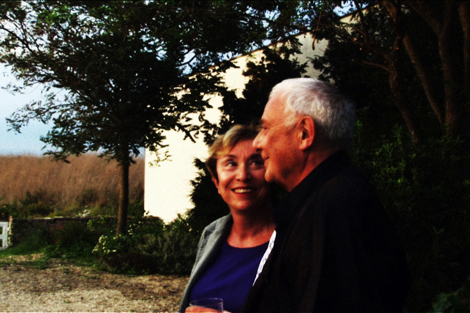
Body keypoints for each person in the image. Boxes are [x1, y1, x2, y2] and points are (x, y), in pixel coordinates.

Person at [242, 78, 410, 312]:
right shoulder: (325, 200)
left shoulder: (332, 211)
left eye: (266, 128)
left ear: (304, 134)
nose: (257, 142)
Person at [179, 124, 276, 313]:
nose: (243, 175)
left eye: (256, 162)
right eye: (231, 163)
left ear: (271, 173)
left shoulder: (293, 235)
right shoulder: (212, 233)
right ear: (216, 181)